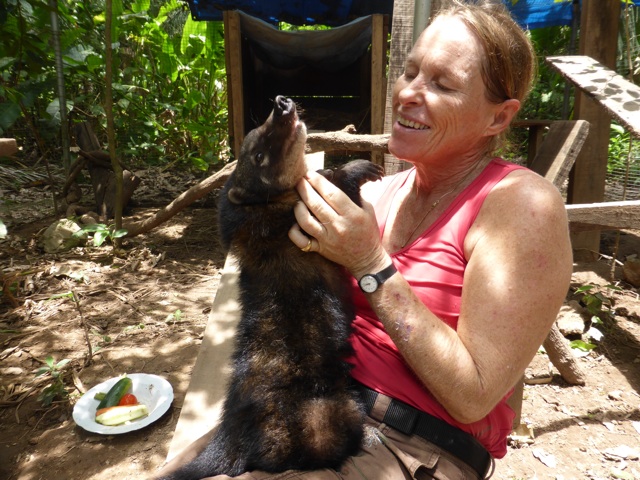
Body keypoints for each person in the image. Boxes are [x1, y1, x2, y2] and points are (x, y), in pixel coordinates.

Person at [154, 1, 573, 478]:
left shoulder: (522, 204)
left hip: (407, 443)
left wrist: (370, 261)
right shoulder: (375, 193)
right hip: (300, 406)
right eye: (411, 72)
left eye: (442, 84)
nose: (409, 93)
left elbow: (473, 396)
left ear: (499, 118)